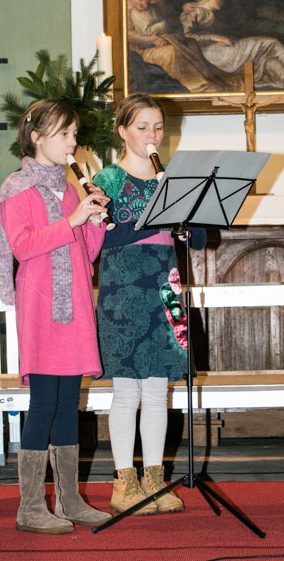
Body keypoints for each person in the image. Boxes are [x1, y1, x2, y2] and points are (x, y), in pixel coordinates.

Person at [0, 99, 112, 534]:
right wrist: (73, 218)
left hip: (74, 303)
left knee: (68, 403)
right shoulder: (18, 187)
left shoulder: (72, 188)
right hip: (40, 304)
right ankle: (31, 505)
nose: (73, 142)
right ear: (37, 137)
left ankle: (70, 499)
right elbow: (23, 245)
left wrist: (95, 220)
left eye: (74, 134)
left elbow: (86, 253)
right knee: (43, 403)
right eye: (64, 134)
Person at [93, 93, 206, 516]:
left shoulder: (171, 178)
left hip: (163, 288)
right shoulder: (107, 179)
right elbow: (103, 238)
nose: (152, 135)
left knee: (159, 392)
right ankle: (124, 484)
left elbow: (199, 238)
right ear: (123, 131)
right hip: (123, 292)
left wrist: (182, 218)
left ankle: (155, 481)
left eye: (158, 127)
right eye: (142, 127)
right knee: (126, 393)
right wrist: (155, 216)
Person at [180, 0, 284, 88]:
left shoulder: (215, 12)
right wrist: (215, 37)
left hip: (223, 48)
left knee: (264, 56)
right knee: (270, 42)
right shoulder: (194, 12)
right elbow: (187, 36)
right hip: (215, 54)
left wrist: (225, 37)